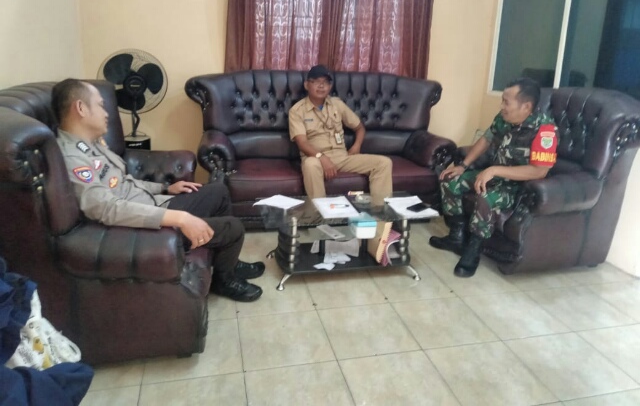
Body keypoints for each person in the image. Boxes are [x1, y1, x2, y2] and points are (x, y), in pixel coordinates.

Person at [51, 78, 264, 302]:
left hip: (149, 205)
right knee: (233, 227)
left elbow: (123, 182)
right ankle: (224, 280)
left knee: (218, 192)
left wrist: (165, 188)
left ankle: (227, 263)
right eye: (100, 105)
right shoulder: (73, 158)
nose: (106, 114)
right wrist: (178, 218)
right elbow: (105, 209)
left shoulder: (92, 143)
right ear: (81, 108)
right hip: (139, 229)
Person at [429, 77, 558, 278]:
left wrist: (495, 170)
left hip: (517, 187)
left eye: (507, 102)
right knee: (450, 180)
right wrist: (463, 166)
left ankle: (473, 251)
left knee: (485, 197)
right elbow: (486, 139)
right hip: (493, 175)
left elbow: (539, 171)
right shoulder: (504, 118)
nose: (502, 106)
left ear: (526, 106)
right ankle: (456, 237)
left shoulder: (545, 131)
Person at [288, 65, 393, 205]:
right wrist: (322, 157)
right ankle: (319, 214)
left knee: (383, 163)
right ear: (307, 85)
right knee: (310, 165)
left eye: (325, 82)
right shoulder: (297, 111)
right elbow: (302, 143)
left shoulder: (337, 104)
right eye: (316, 81)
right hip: (315, 158)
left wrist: (356, 146)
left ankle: (380, 213)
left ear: (330, 86)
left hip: (342, 157)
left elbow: (360, 128)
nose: (321, 86)